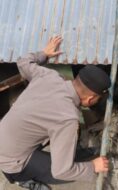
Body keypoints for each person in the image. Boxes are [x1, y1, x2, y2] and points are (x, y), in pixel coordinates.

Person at [0, 36, 110, 190]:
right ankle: (22, 180)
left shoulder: (49, 76)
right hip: (10, 159)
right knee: (60, 172)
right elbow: (62, 172)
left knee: (67, 135)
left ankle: (75, 154)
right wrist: (92, 167)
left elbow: (22, 62)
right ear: (90, 99)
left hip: (8, 135)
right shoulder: (67, 119)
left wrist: (43, 53)